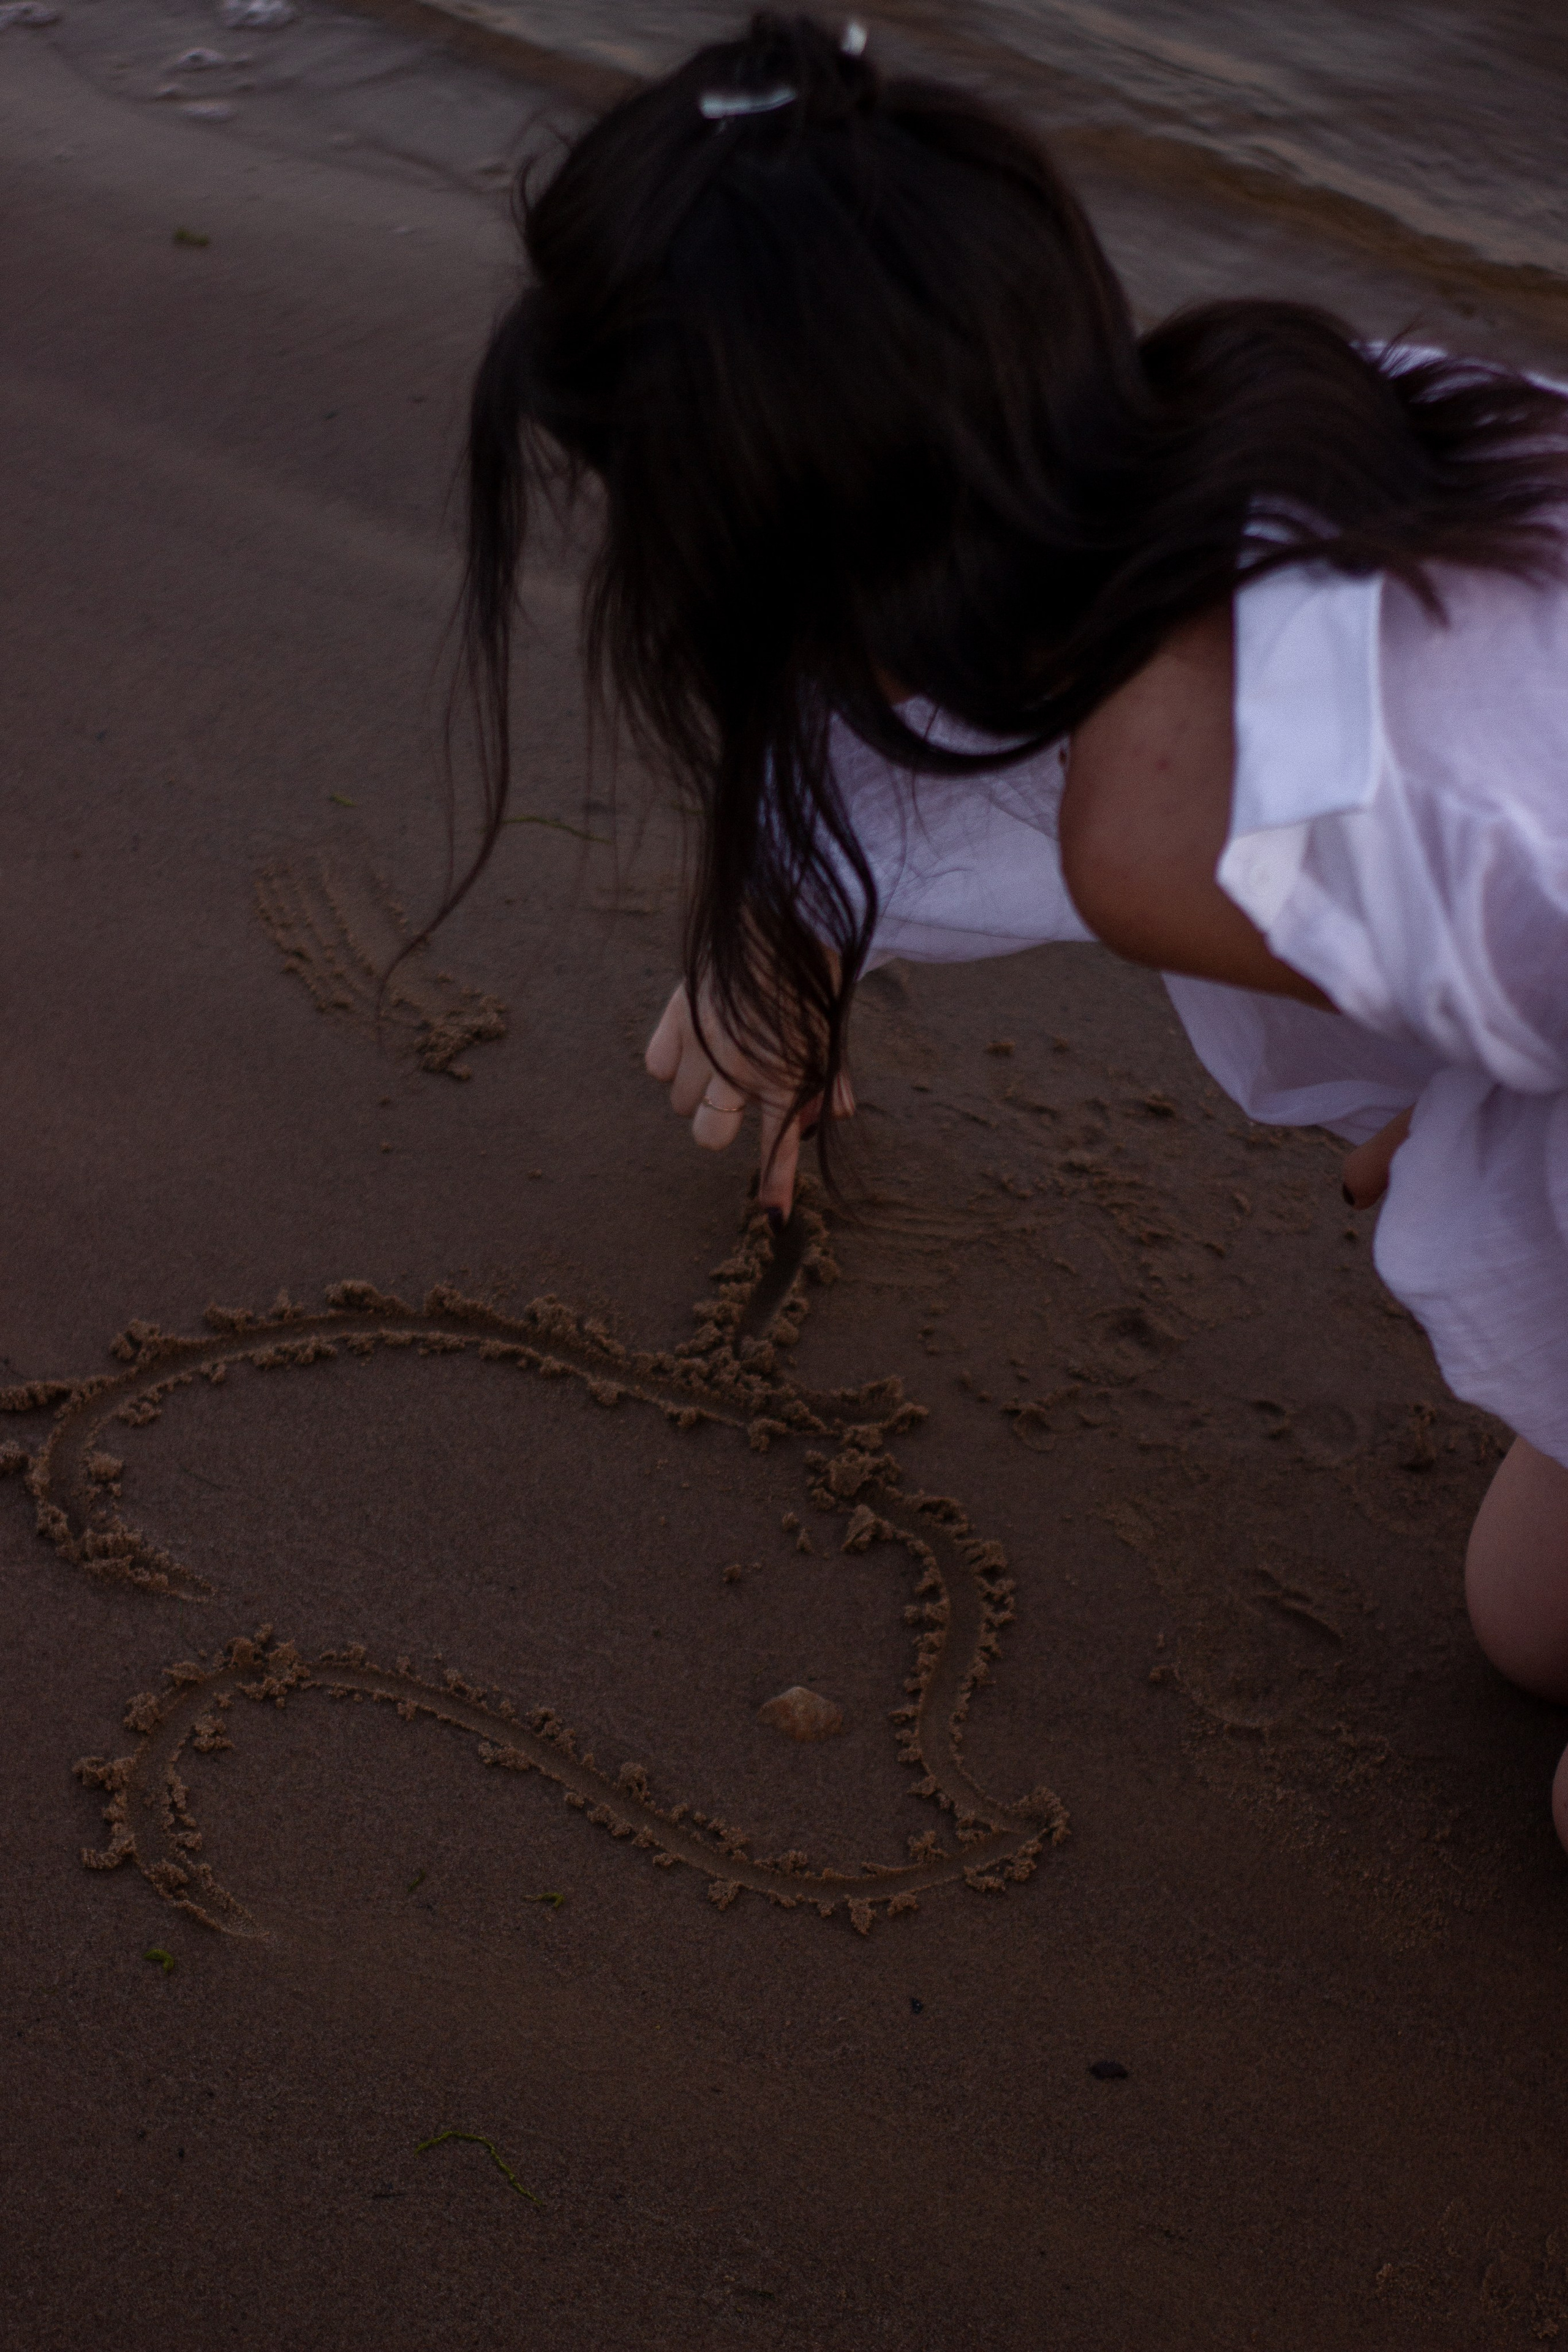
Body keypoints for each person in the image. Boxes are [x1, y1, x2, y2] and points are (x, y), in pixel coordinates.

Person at [456, 13, 1568, 1844]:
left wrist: (1486, 1115)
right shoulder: (1260, 419)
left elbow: (1451, 846)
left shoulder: (1214, 826)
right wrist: (790, 938)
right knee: (1526, 1629)